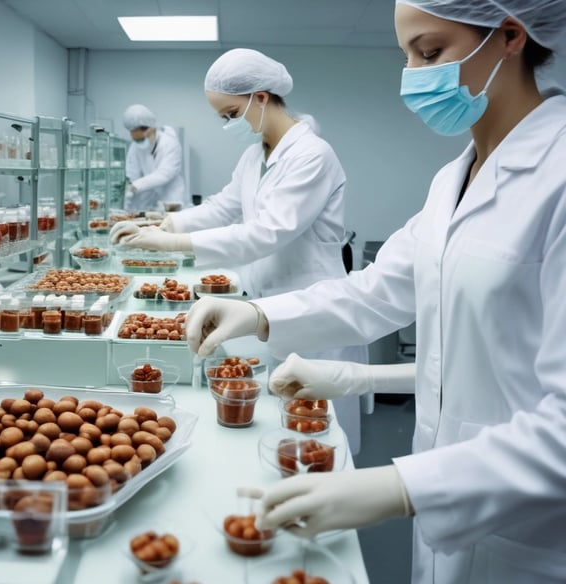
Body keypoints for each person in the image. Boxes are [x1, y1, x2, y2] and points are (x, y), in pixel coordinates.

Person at [185, 1, 566, 582]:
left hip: (531, 535)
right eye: (406, 55)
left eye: (430, 52)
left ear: (511, 36)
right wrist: (258, 314)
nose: (413, 75)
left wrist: (402, 485)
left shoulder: (558, 177)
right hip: (449, 507)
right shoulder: (451, 179)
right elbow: (375, 292)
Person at [113, 48, 369, 452]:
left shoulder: (311, 155)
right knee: (279, 423)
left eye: (231, 114)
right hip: (269, 304)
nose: (228, 125)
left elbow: (267, 232)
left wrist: (175, 244)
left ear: (261, 98)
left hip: (313, 308)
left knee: (319, 433)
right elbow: (225, 204)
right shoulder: (255, 155)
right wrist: (166, 224)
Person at [122, 104, 189, 212]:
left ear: (151, 128)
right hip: (147, 202)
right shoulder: (135, 147)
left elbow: (165, 174)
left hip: (171, 199)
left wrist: (135, 186)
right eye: (136, 140)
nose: (139, 143)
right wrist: (128, 197)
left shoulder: (170, 143)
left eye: (142, 139)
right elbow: (132, 174)